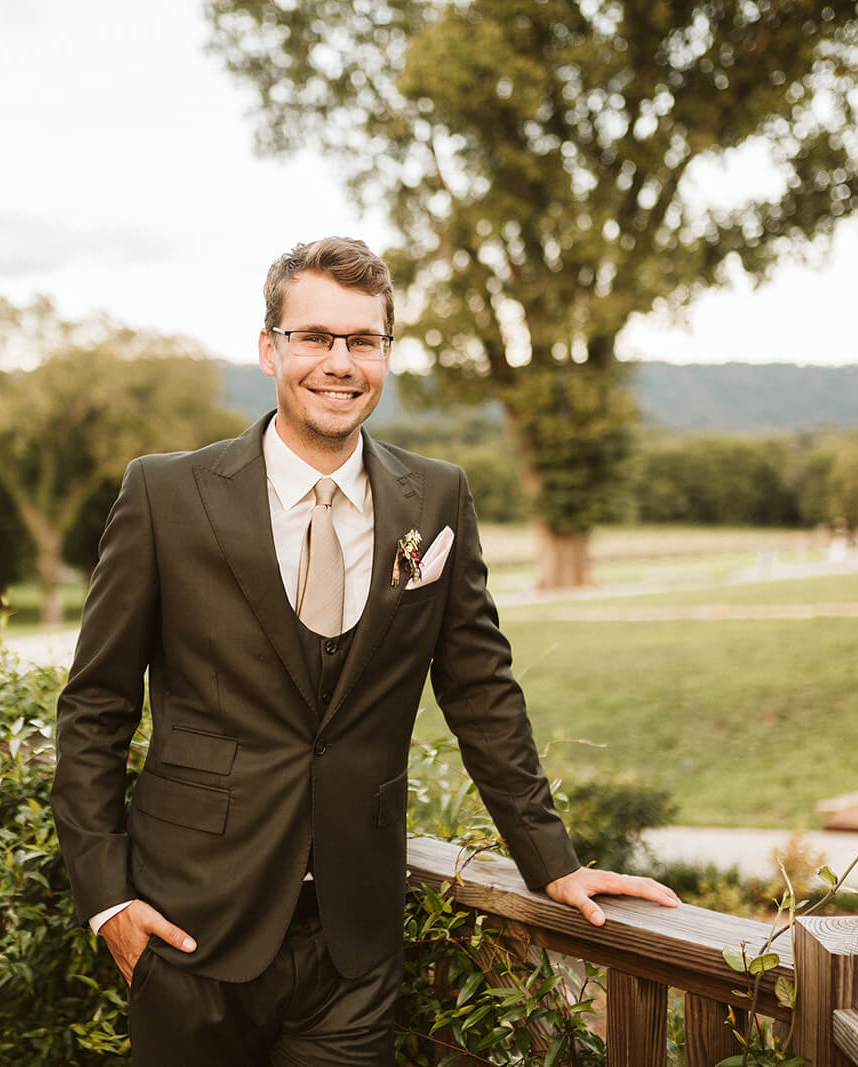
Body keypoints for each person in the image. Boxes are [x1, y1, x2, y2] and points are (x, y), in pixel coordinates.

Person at [49, 237, 678, 1066]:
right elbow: (95, 705)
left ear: (386, 353)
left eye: (363, 340)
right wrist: (109, 899)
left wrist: (552, 861)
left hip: (355, 939)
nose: (338, 362)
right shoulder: (167, 494)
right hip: (190, 920)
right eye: (314, 336)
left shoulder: (438, 495)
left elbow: (481, 688)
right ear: (270, 347)